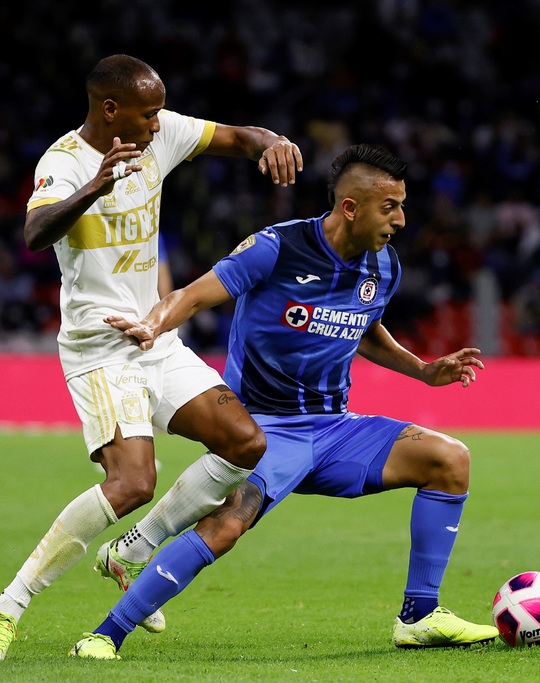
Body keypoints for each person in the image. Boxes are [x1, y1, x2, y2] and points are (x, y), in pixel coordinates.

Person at [69, 143, 499, 659]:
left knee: (450, 459)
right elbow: (194, 294)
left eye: (402, 206)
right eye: (390, 207)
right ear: (350, 207)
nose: (401, 220)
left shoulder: (383, 266)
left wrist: (423, 371)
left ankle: (419, 616)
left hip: (335, 428)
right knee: (227, 526)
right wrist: (152, 324)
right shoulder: (277, 248)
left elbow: (365, 329)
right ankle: (105, 634)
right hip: (264, 431)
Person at [0, 54, 303, 661]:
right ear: (109, 109)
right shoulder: (64, 162)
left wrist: (271, 143)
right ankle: (4, 606)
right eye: (147, 114)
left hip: (155, 338)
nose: (157, 124)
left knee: (245, 443)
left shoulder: (161, 134)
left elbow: (237, 137)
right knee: (132, 483)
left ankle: (132, 550)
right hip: (99, 348)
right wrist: (94, 188)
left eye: (158, 113)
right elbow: (35, 234)